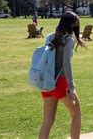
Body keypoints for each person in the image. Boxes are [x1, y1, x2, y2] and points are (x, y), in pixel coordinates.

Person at [39, 11, 85, 139]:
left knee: (48, 120)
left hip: (46, 82)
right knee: (77, 115)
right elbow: (66, 65)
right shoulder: (69, 40)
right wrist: (71, 87)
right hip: (60, 83)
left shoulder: (49, 37)